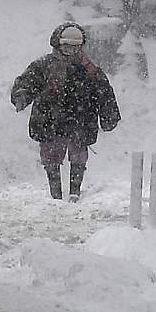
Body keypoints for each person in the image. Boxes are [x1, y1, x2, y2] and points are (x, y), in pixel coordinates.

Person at [9, 22, 120, 200]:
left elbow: (104, 93)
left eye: (76, 48)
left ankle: (75, 191)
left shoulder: (90, 70)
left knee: (78, 155)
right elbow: (26, 83)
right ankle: (56, 194)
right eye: (67, 47)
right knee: (51, 156)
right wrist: (21, 96)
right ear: (58, 45)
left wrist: (109, 115)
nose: (71, 51)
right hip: (50, 118)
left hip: (80, 119)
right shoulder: (43, 66)